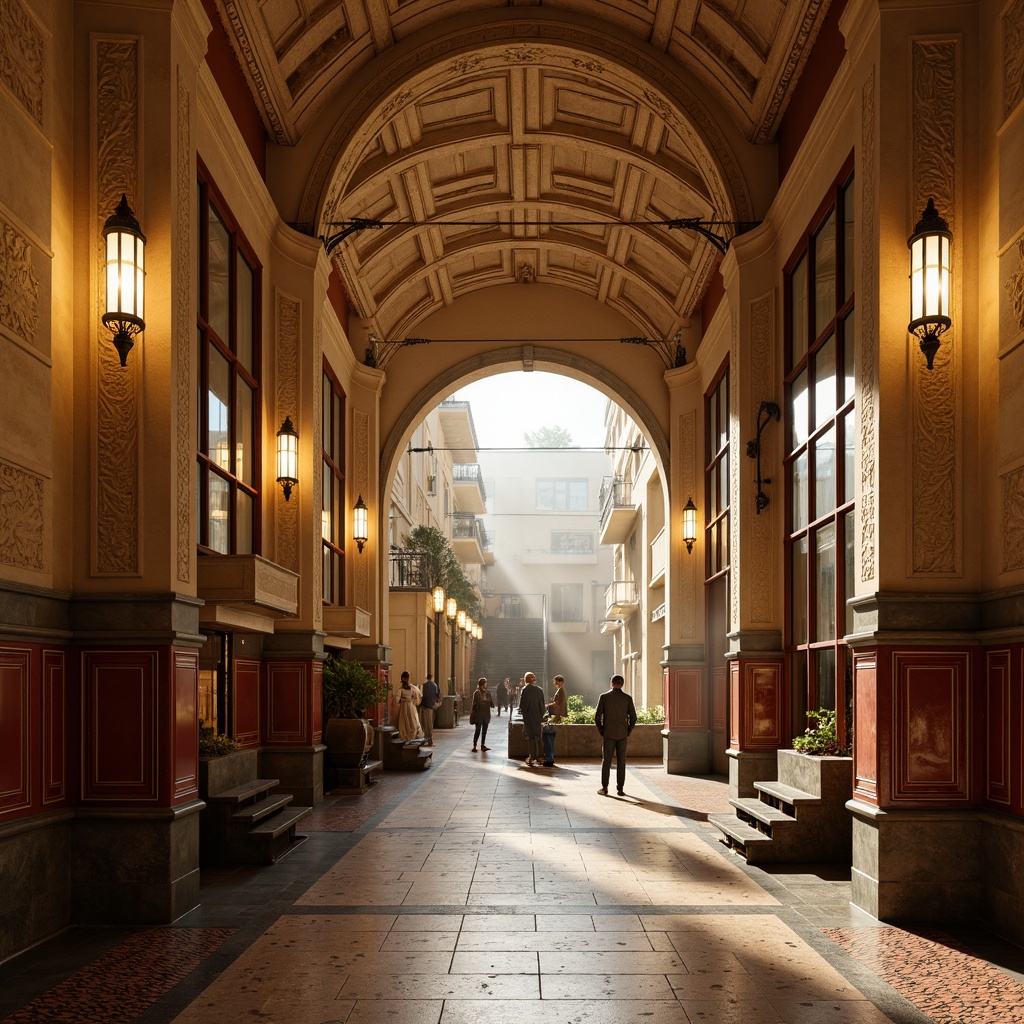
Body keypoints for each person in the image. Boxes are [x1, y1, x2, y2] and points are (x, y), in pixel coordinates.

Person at [594, 673, 637, 795]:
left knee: (606, 761)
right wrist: (628, 731)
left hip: (608, 734)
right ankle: (620, 788)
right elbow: (633, 717)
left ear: (611, 683)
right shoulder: (627, 698)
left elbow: (597, 717)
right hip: (622, 734)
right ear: (622, 684)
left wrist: (602, 731)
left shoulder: (604, 697)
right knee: (621, 761)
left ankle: (604, 787)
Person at [517, 671, 546, 766]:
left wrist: (524, 714)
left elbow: (522, 705)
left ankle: (532, 757)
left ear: (526, 680)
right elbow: (542, 705)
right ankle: (540, 757)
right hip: (537, 717)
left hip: (528, 717)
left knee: (531, 737)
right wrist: (541, 715)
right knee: (538, 736)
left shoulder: (525, 690)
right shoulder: (539, 690)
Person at [542, 674, 567, 767]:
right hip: (556, 716)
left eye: (556, 682)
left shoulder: (560, 691)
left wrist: (548, 706)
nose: (555, 684)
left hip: (556, 716)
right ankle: (550, 756)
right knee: (551, 736)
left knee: (548, 735)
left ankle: (549, 757)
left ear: (560, 682)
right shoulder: (560, 691)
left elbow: (557, 704)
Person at [397, 671, 423, 742]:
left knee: (408, 721)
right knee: (411, 720)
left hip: (407, 706)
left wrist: (403, 700)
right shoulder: (409, 689)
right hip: (410, 706)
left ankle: (409, 736)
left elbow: (397, 700)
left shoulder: (404, 689)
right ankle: (411, 735)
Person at [470, 677, 495, 751]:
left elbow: (491, 704)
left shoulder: (487, 693)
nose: (485, 685)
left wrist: (489, 699)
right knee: (478, 730)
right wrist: (473, 714)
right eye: (484, 684)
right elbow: (474, 705)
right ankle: (474, 745)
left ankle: (482, 745)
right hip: (479, 714)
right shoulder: (477, 693)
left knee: (484, 730)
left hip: (486, 714)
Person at [419, 672, 440, 746]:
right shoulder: (435, 685)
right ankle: (430, 739)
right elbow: (437, 696)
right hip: (431, 706)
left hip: (424, 706)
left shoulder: (423, 685)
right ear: (432, 678)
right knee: (430, 724)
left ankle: (425, 737)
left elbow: (421, 696)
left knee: (424, 723)